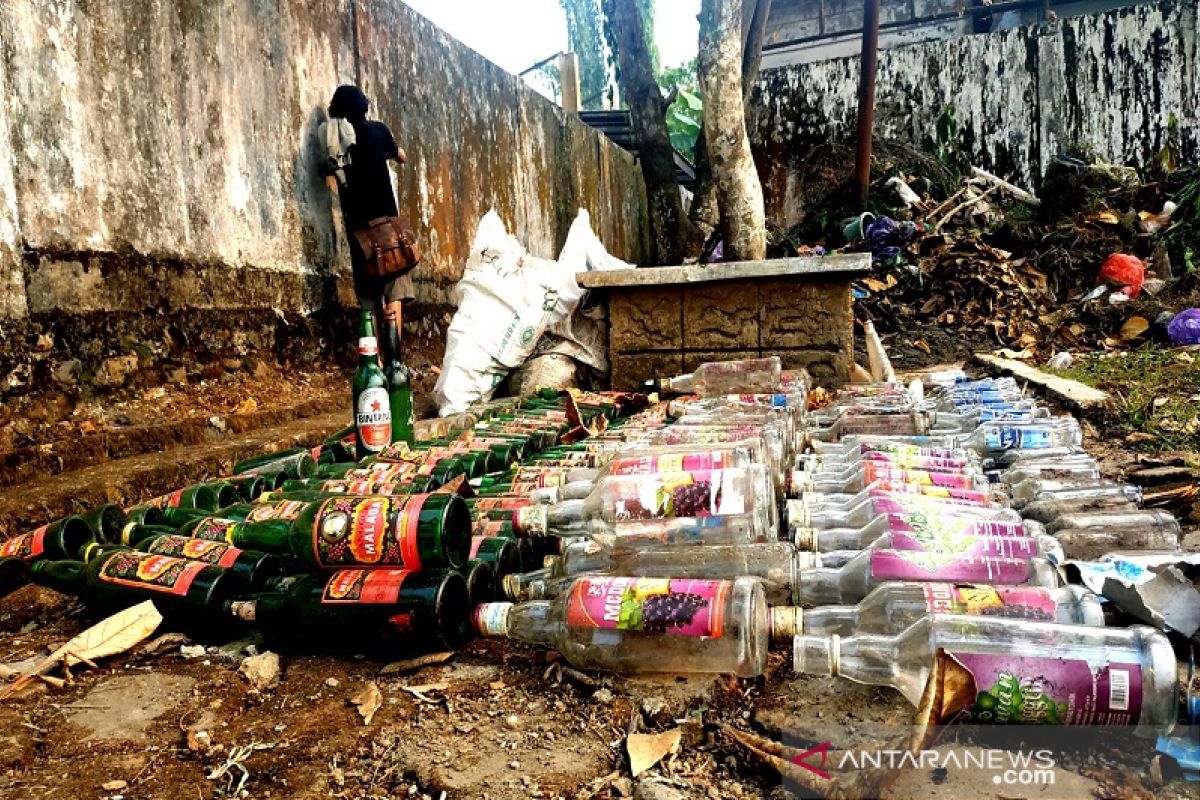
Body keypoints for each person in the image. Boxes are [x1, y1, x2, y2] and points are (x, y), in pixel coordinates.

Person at [326, 84, 412, 356]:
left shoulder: (335, 140)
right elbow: (401, 157)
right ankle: (394, 359)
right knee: (394, 293)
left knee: (368, 299)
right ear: (364, 106)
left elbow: (328, 169)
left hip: (358, 229)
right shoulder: (378, 130)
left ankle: (373, 361)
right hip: (385, 224)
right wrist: (389, 150)